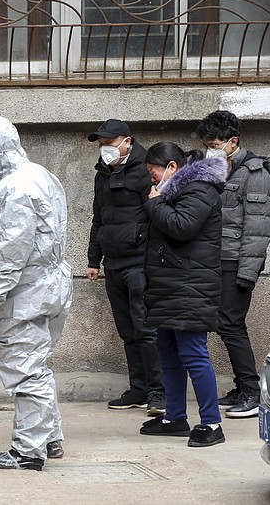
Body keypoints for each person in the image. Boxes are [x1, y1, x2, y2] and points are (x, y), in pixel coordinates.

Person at [0, 116, 73, 470]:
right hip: (49, 287)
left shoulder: (15, 188)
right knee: (38, 367)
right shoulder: (41, 174)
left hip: (26, 291)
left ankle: (28, 451)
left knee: (25, 369)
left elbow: (10, 250)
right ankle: (50, 438)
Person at [140, 142, 227, 447]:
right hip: (171, 285)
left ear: (172, 168)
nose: (152, 180)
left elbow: (182, 227)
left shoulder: (200, 189)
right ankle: (175, 417)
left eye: (154, 173)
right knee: (168, 352)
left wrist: (154, 203)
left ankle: (212, 423)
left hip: (191, 286)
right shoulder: (176, 192)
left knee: (193, 354)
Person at [197, 110, 270, 418]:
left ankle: (252, 392)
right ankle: (242, 387)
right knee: (224, 324)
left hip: (237, 263)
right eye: (207, 143)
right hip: (217, 259)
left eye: (214, 143)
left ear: (233, 141)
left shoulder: (254, 174)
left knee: (231, 325)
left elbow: (258, 228)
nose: (210, 148)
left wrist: (247, 273)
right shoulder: (218, 168)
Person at [86, 119, 165, 416]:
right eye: (101, 143)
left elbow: (157, 213)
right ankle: (139, 388)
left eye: (110, 141)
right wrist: (94, 260)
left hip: (140, 263)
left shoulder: (146, 170)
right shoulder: (102, 174)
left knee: (146, 329)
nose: (104, 147)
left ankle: (160, 392)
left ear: (128, 141)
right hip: (113, 263)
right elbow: (99, 218)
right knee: (127, 331)